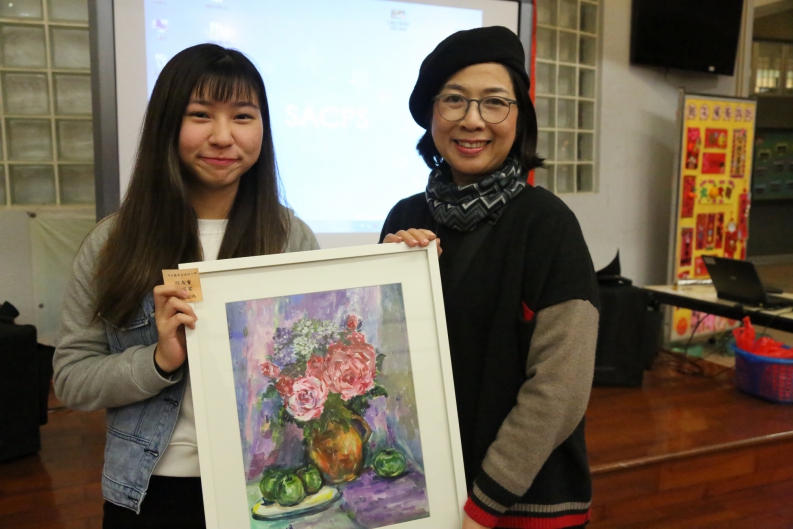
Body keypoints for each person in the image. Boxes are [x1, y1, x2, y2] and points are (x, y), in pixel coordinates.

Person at [53, 44, 319, 529]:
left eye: (242, 116)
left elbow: (318, 364)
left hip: (267, 485)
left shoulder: (291, 238)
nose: (223, 136)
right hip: (154, 489)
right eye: (200, 115)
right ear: (167, 124)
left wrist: (397, 259)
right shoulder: (113, 242)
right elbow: (72, 379)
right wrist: (158, 360)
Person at [380, 27, 599, 529]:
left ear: (519, 119)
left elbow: (559, 389)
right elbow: (383, 368)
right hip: (421, 497)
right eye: (454, 100)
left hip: (523, 507)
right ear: (432, 114)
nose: (472, 120)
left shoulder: (548, 225)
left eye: (495, 102)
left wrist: (483, 504)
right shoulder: (405, 218)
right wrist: (386, 290)